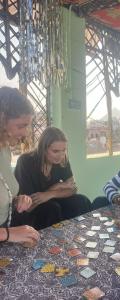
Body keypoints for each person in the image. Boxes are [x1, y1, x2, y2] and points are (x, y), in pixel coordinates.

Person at [14, 126, 91, 230]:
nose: (60, 155)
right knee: (52, 208)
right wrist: (58, 186)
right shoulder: (26, 161)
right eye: (55, 151)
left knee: (81, 201)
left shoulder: (62, 160)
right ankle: (52, 242)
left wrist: (51, 193)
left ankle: (79, 234)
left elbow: (73, 189)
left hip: (51, 200)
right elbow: (30, 204)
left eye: (63, 150)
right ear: (43, 149)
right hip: (28, 209)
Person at [0, 86, 39, 245]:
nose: (26, 132)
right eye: (21, 125)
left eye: (28, 125)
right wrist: (6, 234)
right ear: (2, 120)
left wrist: (16, 200)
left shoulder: (5, 150)